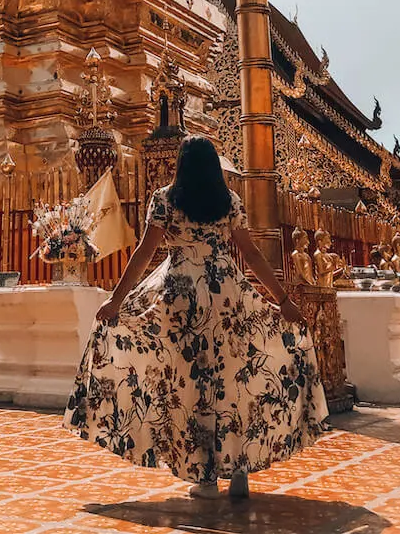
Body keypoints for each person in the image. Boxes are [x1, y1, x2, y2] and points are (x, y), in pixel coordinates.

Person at [64, 135, 328, 500]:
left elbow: (144, 254)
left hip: (181, 296)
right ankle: (238, 470)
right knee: (233, 378)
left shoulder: (166, 199)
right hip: (226, 292)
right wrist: (282, 301)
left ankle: (206, 477)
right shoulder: (228, 202)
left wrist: (116, 300)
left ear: (181, 164)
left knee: (191, 386)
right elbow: (250, 255)